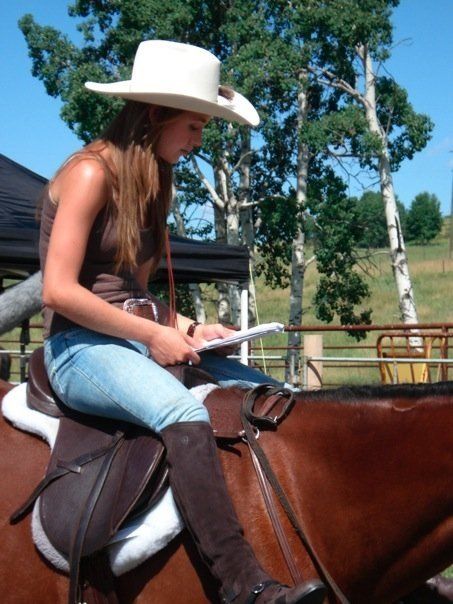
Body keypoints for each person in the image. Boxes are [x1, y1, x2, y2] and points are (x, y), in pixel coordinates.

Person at [40, 40, 326, 604]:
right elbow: (58, 290)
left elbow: (133, 291)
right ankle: (243, 586)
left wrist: (192, 327)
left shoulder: (154, 182)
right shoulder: (89, 174)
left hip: (131, 337)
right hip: (77, 347)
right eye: (194, 127)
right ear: (155, 116)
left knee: (279, 394)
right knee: (180, 413)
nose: (198, 141)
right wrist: (152, 334)